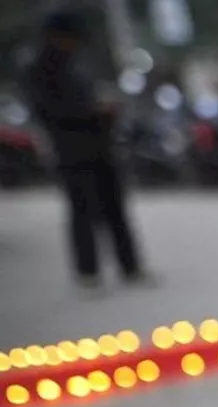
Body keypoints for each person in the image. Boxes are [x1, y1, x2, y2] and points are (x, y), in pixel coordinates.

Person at [25, 10, 150, 291]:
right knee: (82, 212)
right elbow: (49, 111)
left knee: (115, 208)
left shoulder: (77, 65)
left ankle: (130, 266)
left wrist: (106, 112)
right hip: (71, 151)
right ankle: (88, 271)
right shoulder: (39, 69)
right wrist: (90, 112)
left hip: (100, 146)